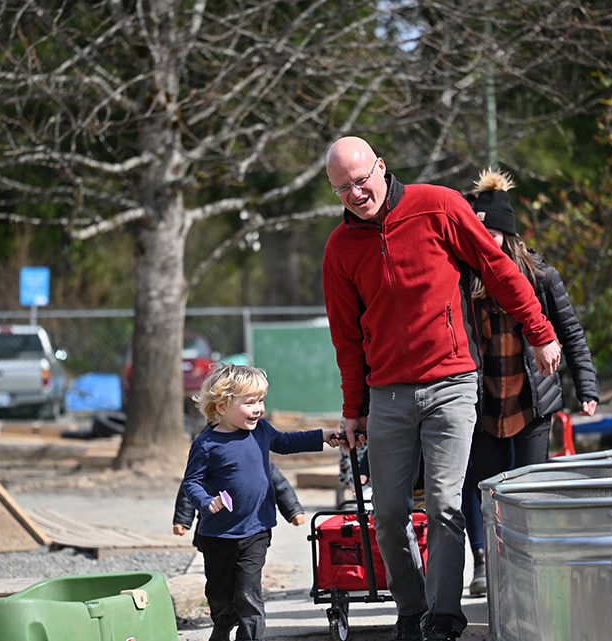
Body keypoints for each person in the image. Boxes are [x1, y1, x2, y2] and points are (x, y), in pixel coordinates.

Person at [322, 136, 561, 641]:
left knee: (445, 505)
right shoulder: (340, 249)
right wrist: (353, 408)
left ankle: (444, 617)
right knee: (388, 512)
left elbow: (500, 270)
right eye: (343, 188)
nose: (356, 193)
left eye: (362, 180)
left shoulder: (439, 206)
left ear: (381, 168)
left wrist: (540, 331)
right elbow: (346, 336)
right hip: (387, 392)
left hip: (452, 382)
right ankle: (411, 609)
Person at [180, 363, 341, 641]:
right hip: (217, 535)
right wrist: (206, 502)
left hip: (255, 531)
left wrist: (322, 436)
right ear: (221, 407)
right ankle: (222, 624)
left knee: (248, 590)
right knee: (219, 593)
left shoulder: (261, 431)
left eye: (261, 401)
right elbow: (191, 483)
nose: (258, 408)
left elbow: (288, 442)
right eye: (249, 402)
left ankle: (250, 634)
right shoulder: (206, 445)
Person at [465, 167, 599, 483]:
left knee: (530, 485)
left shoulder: (541, 278)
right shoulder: (466, 281)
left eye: (492, 236)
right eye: (478, 235)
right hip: (484, 407)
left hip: (531, 403)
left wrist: (587, 387)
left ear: (508, 236)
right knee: (491, 489)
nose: (485, 243)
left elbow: (571, 333)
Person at [173, 460, 306, 543]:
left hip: (251, 524)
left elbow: (279, 484)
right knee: (218, 569)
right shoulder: (206, 460)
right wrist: (182, 520)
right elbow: (189, 491)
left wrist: (293, 510)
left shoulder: (258, 458)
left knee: (248, 567)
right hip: (214, 526)